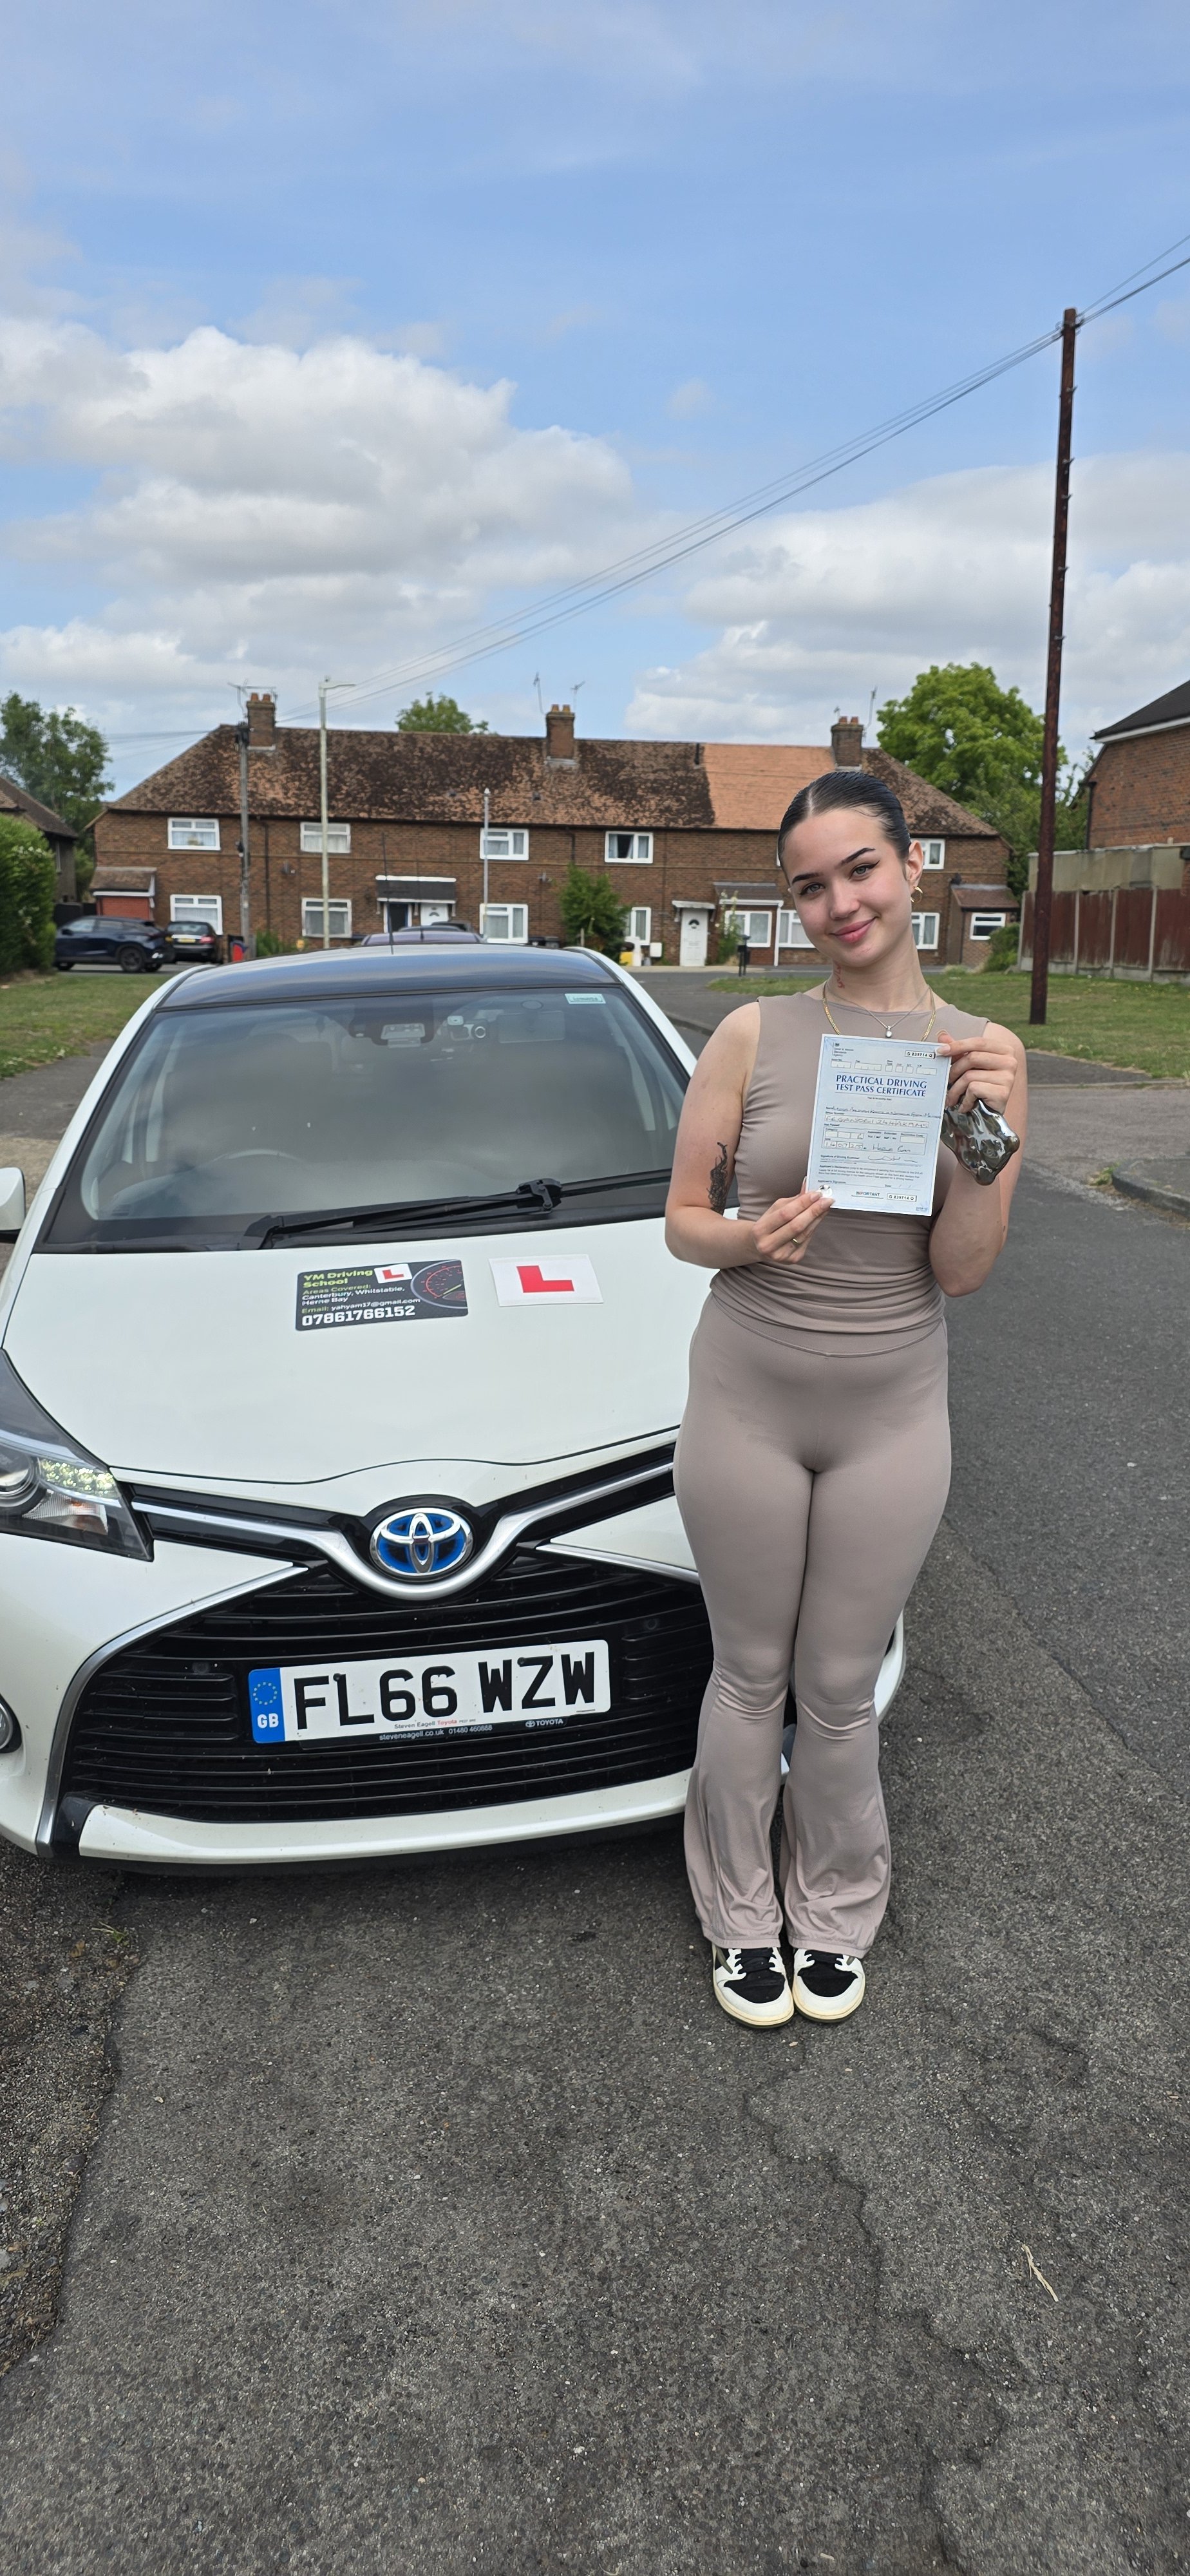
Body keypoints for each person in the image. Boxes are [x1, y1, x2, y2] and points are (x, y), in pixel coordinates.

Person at [665, 768, 1026, 2029]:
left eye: (859, 868)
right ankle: (737, 1911)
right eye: (810, 884)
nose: (840, 902)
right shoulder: (754, 1033)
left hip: (891, 1411)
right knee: (749, 1668)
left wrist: (992, 1117)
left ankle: (834, 1906)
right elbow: (682, 1220)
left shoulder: (978, 1055)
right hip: (747, 1398)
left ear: (912, 865)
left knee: (837, 1678)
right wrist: (746, 1241)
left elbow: (963, 1268)